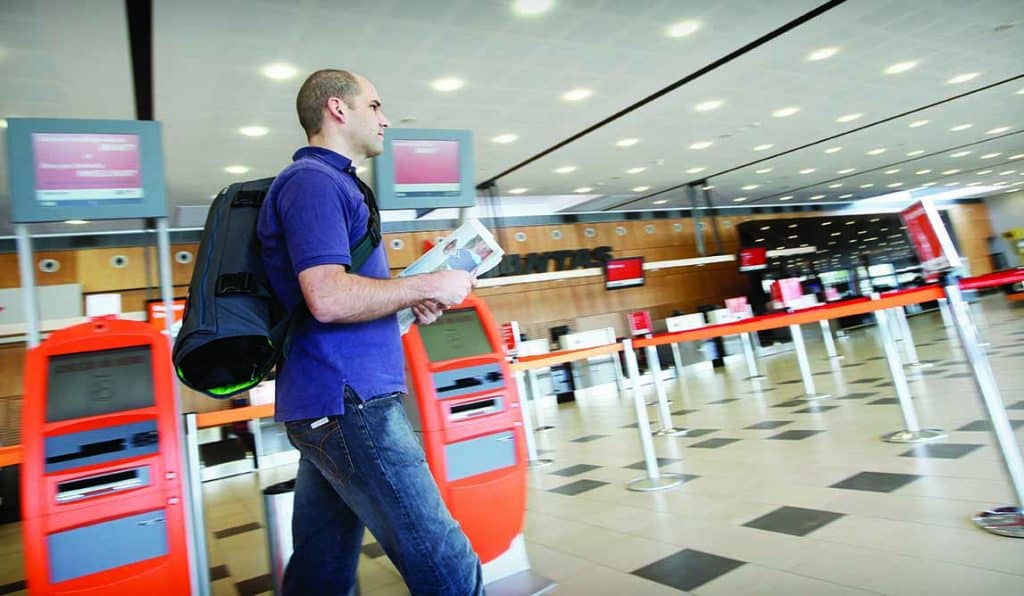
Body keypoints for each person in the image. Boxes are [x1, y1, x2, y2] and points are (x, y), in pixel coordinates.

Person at [257, 69, 483, 596]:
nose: (384, 119)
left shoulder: (331, 183)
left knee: (323, 564)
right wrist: (426, 283)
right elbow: (329, 298)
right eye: (376, 106)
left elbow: (340, 296)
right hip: (351, 402)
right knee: (443, 555)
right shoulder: (313, 182)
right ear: (337, 109)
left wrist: (409, 299)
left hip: (331, 401)